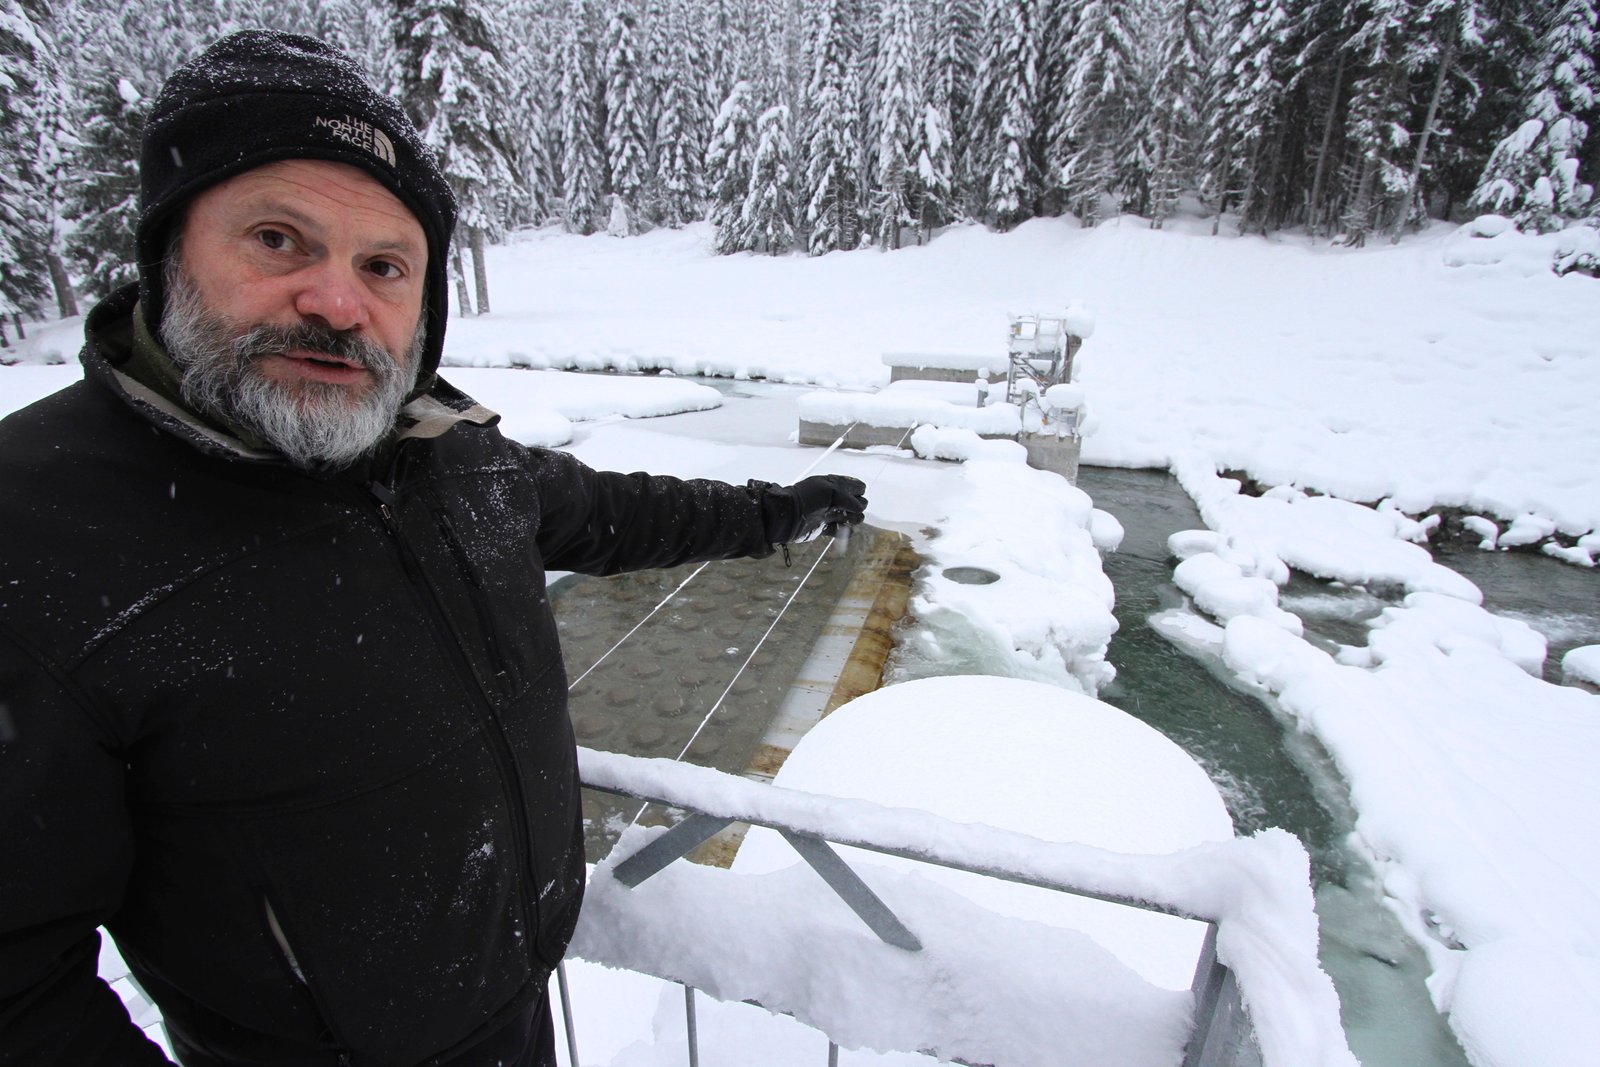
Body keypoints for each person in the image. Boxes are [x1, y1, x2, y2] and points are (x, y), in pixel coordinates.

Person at [0, 31, 866, 1067]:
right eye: (277, 239)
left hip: (519, 1004)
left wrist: (784, 509)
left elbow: (620, 513)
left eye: (384, 264)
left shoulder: (446, 455)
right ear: (166, 251)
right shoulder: (39, 530)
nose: (336, 300)